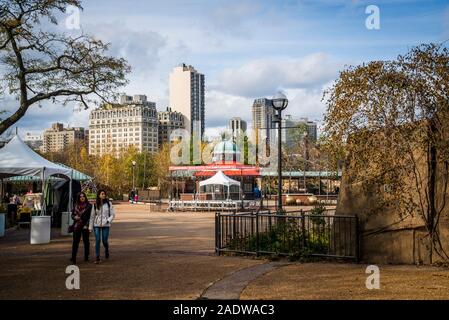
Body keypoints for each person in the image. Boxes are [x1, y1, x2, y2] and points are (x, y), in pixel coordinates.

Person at [89, 190, 115, 264]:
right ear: (98, 195)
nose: (104, 195)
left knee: (104, 240)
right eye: (102, 194)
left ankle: (106, 249)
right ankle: (97, 257)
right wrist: (90, 227)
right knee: (97, 240)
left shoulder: (109, 204)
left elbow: (113, 214)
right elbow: (92, 216)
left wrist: (107, 221)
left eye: (104, 194)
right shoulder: (95, 205)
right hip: (96, 225)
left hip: (106, 225)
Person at [70, 192, 92, 264]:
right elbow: (72, 215)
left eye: (83, 196)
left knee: (86, 241)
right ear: (78, 198)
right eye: (80, 197)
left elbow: (91, 217)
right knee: (75, 242)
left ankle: (86, 256)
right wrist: (74, 217)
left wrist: (88, 225)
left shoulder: (89, 206)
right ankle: (73, 257)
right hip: (77, 225)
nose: (82, 198)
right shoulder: (75, 205)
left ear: (85, 197)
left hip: (85, 225)